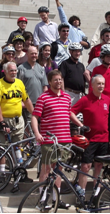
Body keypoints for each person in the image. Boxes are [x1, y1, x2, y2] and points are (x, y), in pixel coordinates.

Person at [32, 70, 73, 209]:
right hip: (49, 140)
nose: (58, 82)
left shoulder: (67, 97)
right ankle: (42, 200)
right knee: (46, 169)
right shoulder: (43, 97)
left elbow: (68, 114)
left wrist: (80, 125)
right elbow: (34, 117)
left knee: (59, 170)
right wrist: (37, 133)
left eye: (60, 79)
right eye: (55, 80)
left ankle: (56, 199)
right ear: (49, 82)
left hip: (65, 139)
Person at [71, 74, 110, 199]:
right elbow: (71, 112)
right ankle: (81, 192)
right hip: (90, 140)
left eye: (103, 84)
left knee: (99, 166)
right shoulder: (85, 99)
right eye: (98, 83)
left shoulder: (107, 99)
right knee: (86, 166)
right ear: (92, 85)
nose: (101, 86)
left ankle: (96, 191)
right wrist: (81, 125)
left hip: (104, 139)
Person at [0, 61, 33, 175]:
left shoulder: (19, 83)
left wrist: (35, 114)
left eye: (15, 70)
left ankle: (19, 171)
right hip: (3, 119)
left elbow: (27, 100)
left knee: (18, 145)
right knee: (1, 147)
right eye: (11, 71)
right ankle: (2, 173)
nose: (14, 73)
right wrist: (1, 122)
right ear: (5, 72)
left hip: (18, 120)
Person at [17, 46, 49, 122]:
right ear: (27, 54)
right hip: (27, 103)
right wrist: (21, 101)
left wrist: (46, 101)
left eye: (35, 53)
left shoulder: (41, 68)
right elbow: (17, 86)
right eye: (32, 54)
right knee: (29, 125)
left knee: (40, 124)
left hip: (39, 103)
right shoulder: (21, 68)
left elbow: (45, 86)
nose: (34, 55)